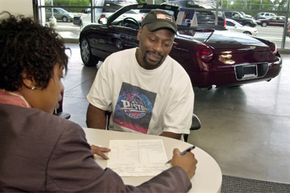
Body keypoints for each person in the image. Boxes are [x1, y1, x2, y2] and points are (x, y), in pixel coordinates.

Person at [0, 12, 197, 192]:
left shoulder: (179, 78)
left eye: (166, 43)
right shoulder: (57, 137)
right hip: (112, 153)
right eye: (59, 76)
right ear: (29, 79)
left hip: (151, 159)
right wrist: (181, 173)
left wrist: (73, 153)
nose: (62, 88)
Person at [86, 9, 194, 140]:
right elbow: (96, 108)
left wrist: (145, 155)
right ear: (139, 34)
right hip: (115, 145)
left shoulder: (179, 79)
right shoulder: (114, 63)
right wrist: (100, 143)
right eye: (153, 39)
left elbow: (173, 134)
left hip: (156, 148)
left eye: (166, 44)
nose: (158, 49)